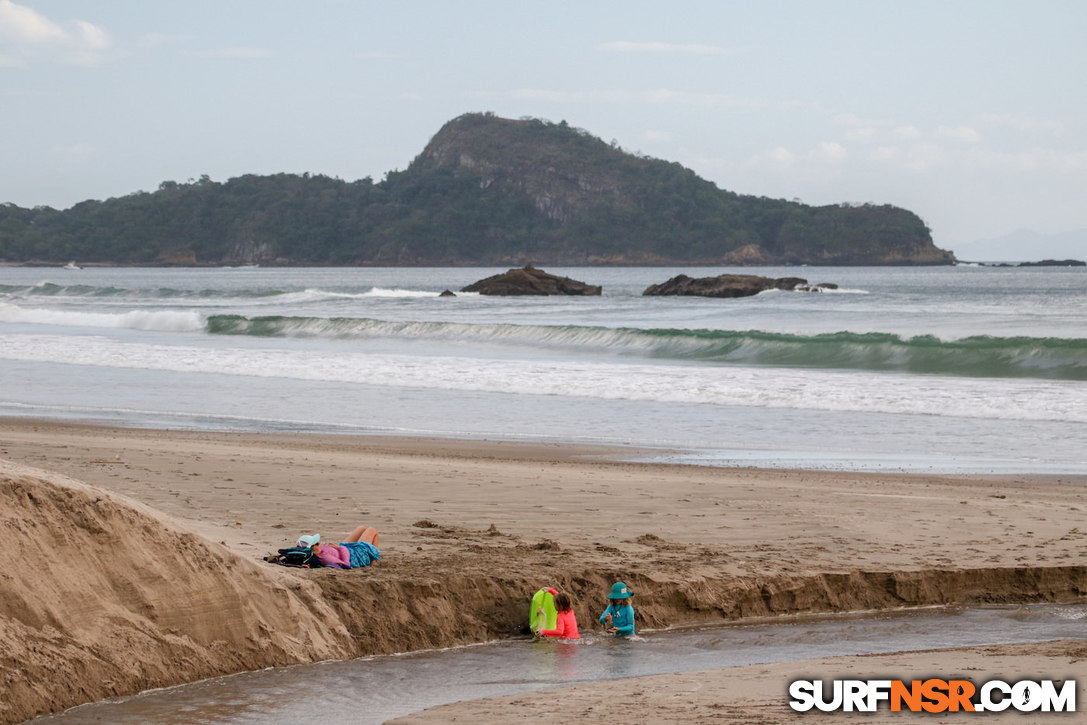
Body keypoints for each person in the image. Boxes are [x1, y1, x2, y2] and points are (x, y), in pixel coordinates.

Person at [297, 525, 381, 569]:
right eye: (317, 543)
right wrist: (340, 548)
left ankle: (372, 557)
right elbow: (346, 565)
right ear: (313, 549)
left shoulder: (318, 552)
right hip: (354, 556)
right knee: (372, 530)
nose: (319, 543)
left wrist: (332, 546)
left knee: (362, 528)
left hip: (343, 549)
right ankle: (372, 561)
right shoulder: (325, 558)